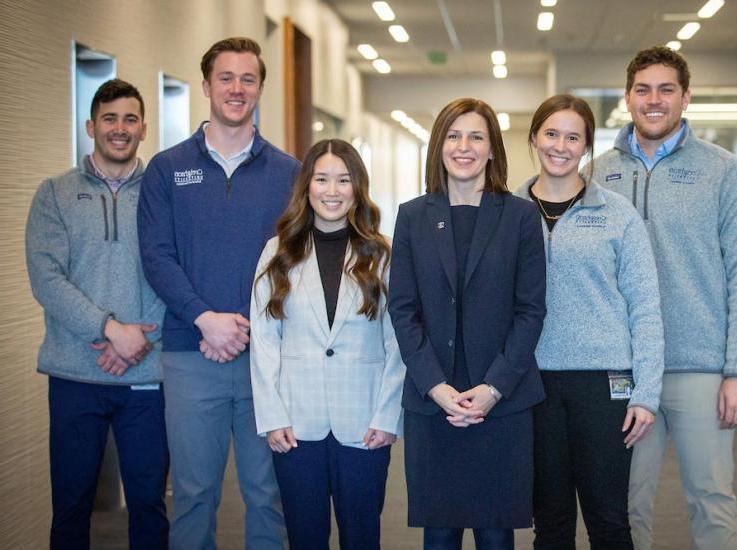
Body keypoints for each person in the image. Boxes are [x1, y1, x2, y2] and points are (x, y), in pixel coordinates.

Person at [588, 46, 737, 550]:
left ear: (686, 98)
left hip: (701, 369)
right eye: (643, 89)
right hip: (623, 369)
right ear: (627, 98)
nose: (654, 100)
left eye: (667, 89)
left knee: (711, 499)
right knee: (624, 504)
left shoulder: (723, 171)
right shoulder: (599, 173)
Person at [138, 36, 301, 549]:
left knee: (267, 493)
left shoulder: (289, 173)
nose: (236, 88)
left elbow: (294, 262)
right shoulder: (167, 168)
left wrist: (246, 326)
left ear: (260, 89)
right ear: (206, 86)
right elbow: (157, 255)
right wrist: (205, 319)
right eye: (226, 78)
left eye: (247, 79)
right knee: (192, 493)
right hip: (191, 353)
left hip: (268, 359)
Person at [388, 97, 546, 550]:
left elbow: (530, 311)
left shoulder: (519, 216)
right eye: (454, 136)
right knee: (439, 536)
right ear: (439, 146)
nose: (464, 146)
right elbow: (403, 310)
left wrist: (493, 388)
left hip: (500, 402)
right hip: (434, 403)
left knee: (496, 536)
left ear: (493, 149)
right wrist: (436, 387)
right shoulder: (413, 216)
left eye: (476, 136)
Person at [515, 94, 665, 549]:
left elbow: (646, 307)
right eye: (551, 134)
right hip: (533, 385)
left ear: (586, 146)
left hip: (605, 385)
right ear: (535, 138)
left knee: (609, 520)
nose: (561, 146)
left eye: (573, 137)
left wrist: (647, 393)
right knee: (551, 523)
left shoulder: (617, 213)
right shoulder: (508, 212)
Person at [26, 78, 168, 549]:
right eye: (110, 118)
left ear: (144, 128)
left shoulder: (163, 192)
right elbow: (47, 278)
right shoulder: (55, 194)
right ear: (91, 125)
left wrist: (138, 341)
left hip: (147, 376)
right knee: (71, 504)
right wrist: (109, 328)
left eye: (130, 119)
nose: (120, 128)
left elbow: (176, 272)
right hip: (75, 374)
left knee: (148, 502)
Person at [250, 138, 405, 550]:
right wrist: (272, 415)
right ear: (307, 187)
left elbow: (399, 343)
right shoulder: (277, 251)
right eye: (322, 179)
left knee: (362, 537)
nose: (332, 191)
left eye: (343, 180)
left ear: (358, 188)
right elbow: (264, 340)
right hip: (297, 424)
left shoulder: (383, 254)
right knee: (305, 537)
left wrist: (388, 416)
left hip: (365, 423)